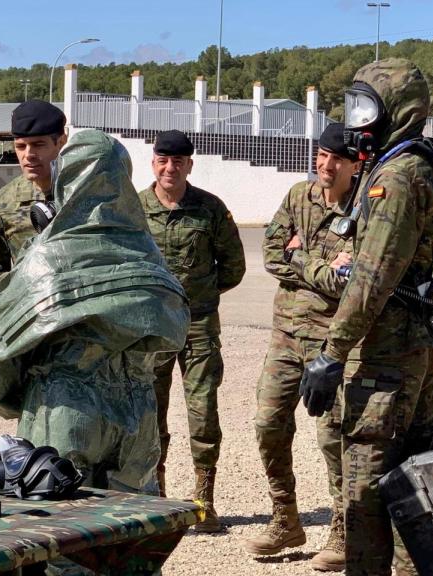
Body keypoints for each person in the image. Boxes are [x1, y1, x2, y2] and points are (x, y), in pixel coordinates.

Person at [0, 129, 189, 494]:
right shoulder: (148, 254)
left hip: (64, 408)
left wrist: (12, 400)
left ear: (65, 180)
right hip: (138, 411)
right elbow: (172, 330)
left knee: (57, 515)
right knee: (134, 516)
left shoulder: (46, 256)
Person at [299, 58, 433, 575]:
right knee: (410, 483)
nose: (359, 120)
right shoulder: (416, 162)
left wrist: (332, 353)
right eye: (355, 107)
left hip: (385, 357)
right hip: (411, 346)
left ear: (398, 111)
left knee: (366, 492)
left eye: (368, 108)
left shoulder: (397, 178)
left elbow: (372, 279)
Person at [243, 123, 359, 571]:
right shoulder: (298, 196)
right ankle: (285, 518)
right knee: (268, 423)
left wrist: (299, 254)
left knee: (332, 437)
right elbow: (272, 254)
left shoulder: (362, 209)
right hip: (285, 335)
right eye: (322, 155)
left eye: (337, 159)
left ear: (354, 164)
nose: (326, 165)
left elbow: (345, 282)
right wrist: (319, 264)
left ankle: (343, 530)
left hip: (329, 342)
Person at [140, 129, 245, 532]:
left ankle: (204, 500)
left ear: (189, 165)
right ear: (154, 162)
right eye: (163, 160)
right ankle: (157, 497)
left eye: (178, 161)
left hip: (198, 325)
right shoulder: (135, 208)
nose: (170, 168)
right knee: (150, 412)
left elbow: (233, 267)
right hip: (151, 327)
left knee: (202, 411)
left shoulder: (209, 209)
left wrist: (198, 296)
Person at [0, 99, 66, 299]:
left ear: (61, 142)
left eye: (38, 145)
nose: (28, 155)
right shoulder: (4, 203)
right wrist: (26, 290)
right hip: (31, 313)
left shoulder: (87, 193)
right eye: (20, 146)